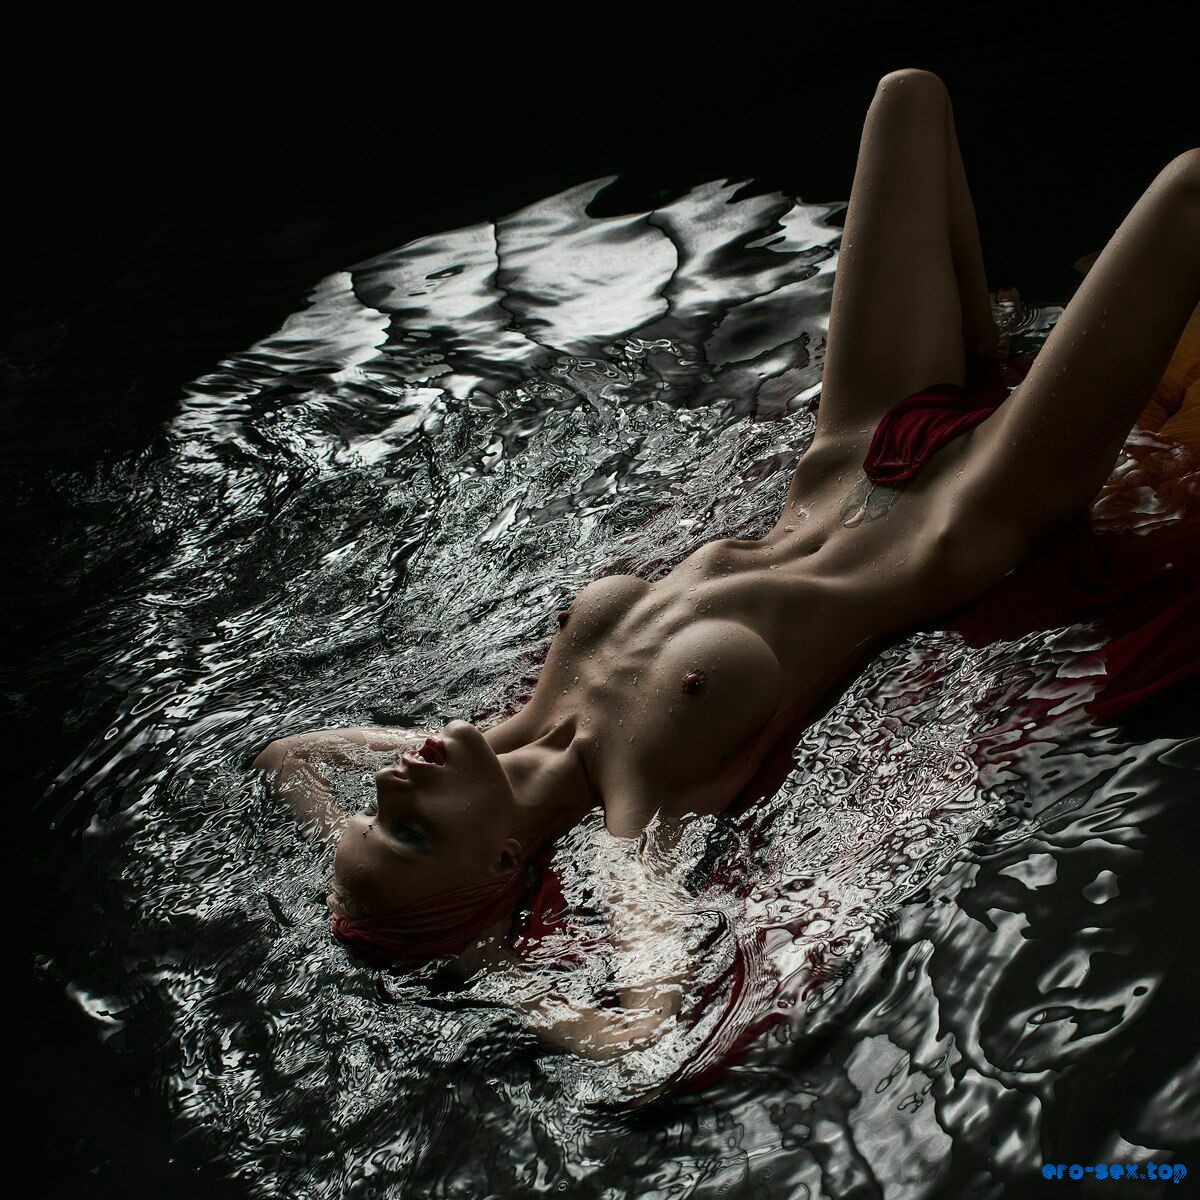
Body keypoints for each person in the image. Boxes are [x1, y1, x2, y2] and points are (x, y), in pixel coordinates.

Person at [254, 69, 1200, 1057]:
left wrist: (360, 856)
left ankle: (987, 355)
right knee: (1186, 190)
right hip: (973, 514)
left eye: (372, 812)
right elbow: (640, 1034)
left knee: (907, 99)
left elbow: (287, 756)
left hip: (852, 448)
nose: (392, 788)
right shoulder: (638, 810)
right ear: (501, 862)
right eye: (409, 830)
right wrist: (493, 967)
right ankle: (1000, 373)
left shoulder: (504, 734)